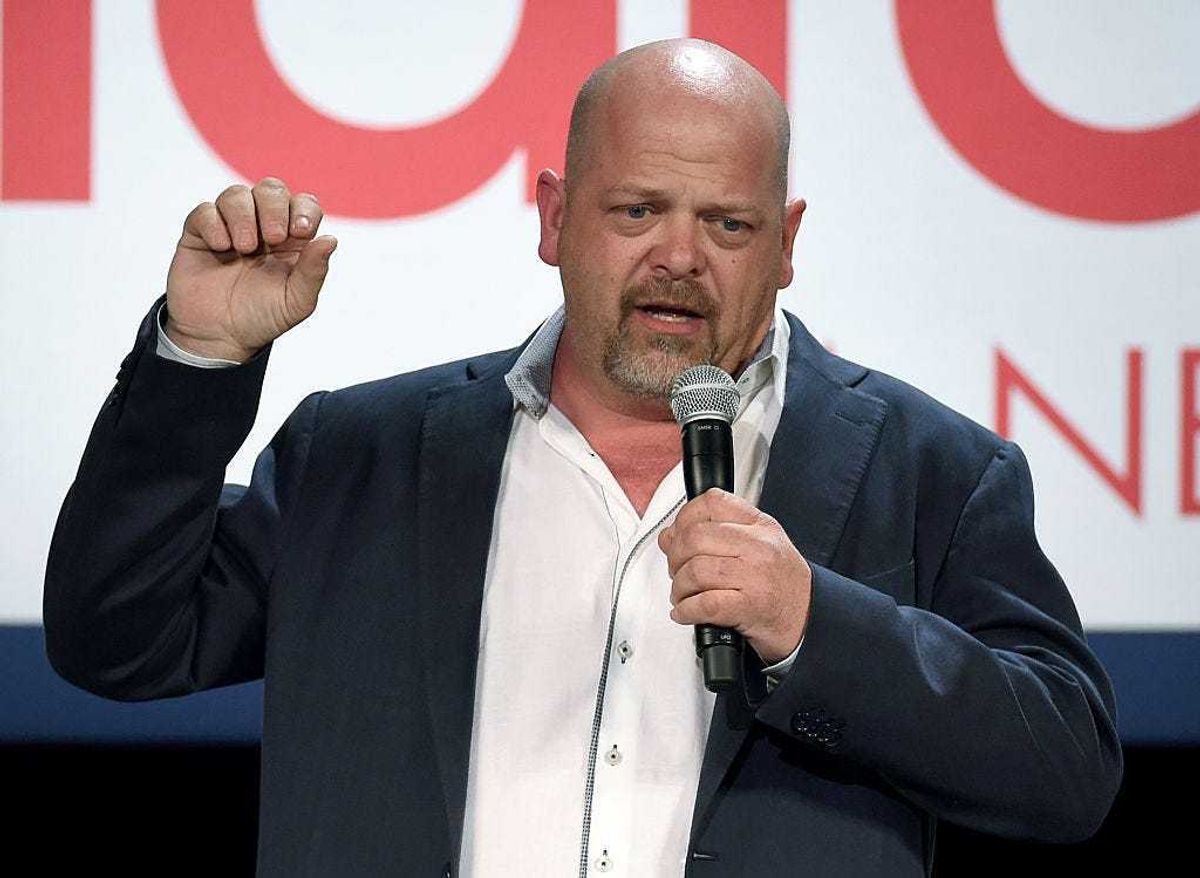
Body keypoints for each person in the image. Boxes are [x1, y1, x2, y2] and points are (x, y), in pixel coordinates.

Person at [44, 38, 1121, 876]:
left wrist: (814, 625)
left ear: (788, 243)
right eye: (638, 209)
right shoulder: (361, 456)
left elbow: (1068, 767)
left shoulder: (929, 470)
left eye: (729, 225)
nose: (680, 257)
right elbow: (119, 638)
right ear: (556, 218)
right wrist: (200, 356)